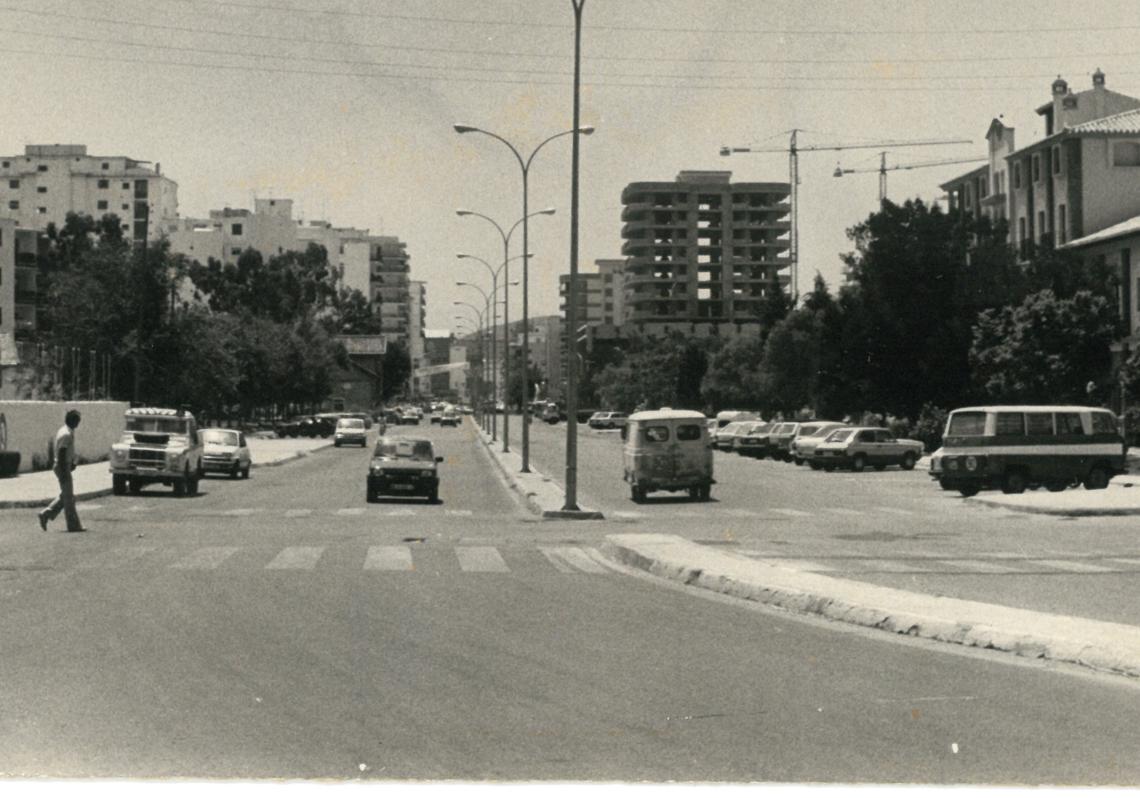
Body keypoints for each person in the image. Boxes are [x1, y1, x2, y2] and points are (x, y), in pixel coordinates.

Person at [37, 409, 85, 533]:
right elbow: (61, 452)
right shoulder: (66, 434)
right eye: (77, 421)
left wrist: (71, 465)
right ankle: (73, 525)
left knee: (66, 495)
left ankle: (46, 514)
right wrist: (65, 470)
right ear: (72, 420)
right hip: (62, 466)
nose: (78, 424)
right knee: (69, 499)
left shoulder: (65, 431)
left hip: (64, 465)